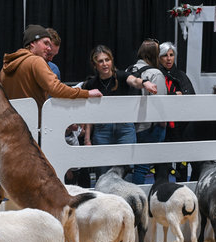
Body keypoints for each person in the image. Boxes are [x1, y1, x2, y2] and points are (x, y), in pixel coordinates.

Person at [0, 24, 103, 127]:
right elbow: (56, 89)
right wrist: (86, 93)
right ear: (32, 43)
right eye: (45, 43)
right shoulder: (36, 61)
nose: (48, 48)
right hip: (30, 129)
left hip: (8, 127)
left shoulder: (5, 67)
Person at [82, 45, 157, 179]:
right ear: (95, 65)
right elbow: (90, 114)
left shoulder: (121, 76)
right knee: (102, 173)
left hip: (124, 129)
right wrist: (87, 138)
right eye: (100, 61)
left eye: (107, 60)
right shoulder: (92, 83)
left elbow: (134, 81)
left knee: (125, 171)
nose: (105, 64)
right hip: (102, 130)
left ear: (112, 61)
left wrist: (145, 83)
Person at [130, 39, 168, 184]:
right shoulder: (155, 74)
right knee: (142, 167)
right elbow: (161, 103)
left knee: (132, 166)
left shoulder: (129, 70)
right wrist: (162, 124)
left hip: (131, 125)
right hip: (149, 126)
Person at [159, 41, 196, 182]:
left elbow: (191, 97)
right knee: (163, 162)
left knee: (182, 162)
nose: (168, 59)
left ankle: (184, 191)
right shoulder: (156, 75)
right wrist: (174, 96)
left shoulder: (181, 75)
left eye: (171, 55)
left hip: (181, 125)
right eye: (164, 55)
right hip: (163, 125)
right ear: (159, 58)